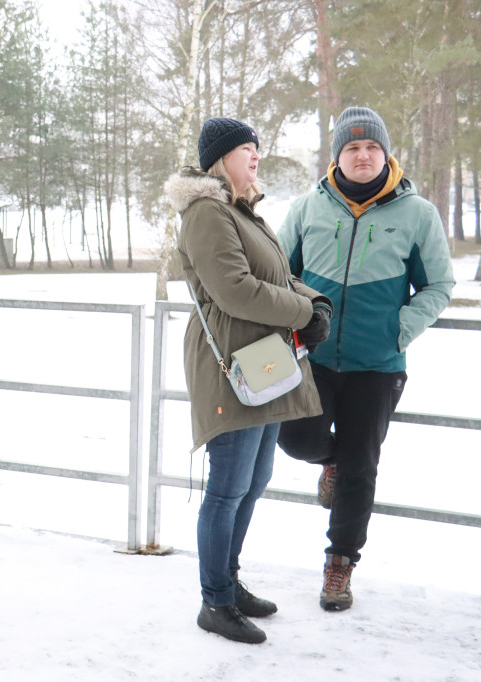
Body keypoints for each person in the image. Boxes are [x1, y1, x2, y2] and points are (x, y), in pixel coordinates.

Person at [276, 106, 454, 612]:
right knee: (295, 437)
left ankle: (340, 563)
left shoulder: (417, 213)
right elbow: (281, 271)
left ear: (386, 152)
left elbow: (439, 285)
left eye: (372, 146)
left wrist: (400, 329)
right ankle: (327, 459)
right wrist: (296, 317)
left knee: (362, 466)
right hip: (312, 356)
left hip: (377, 364)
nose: (363, 155)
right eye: (352, 147)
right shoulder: (309, 206)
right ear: (338, 156)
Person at [165, 117, 332, 644]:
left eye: (257, 147)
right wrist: (304, 314)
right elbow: (236, 289)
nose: (256, 155)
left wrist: (314, 300)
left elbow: (276, 277)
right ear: (219, 157)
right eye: (245, 148)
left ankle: (229, 584)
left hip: (261, 361)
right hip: (232, 365)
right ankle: (214, 602)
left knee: (253, 482)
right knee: (227, 487)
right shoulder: (206, 212)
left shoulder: (241, 209)